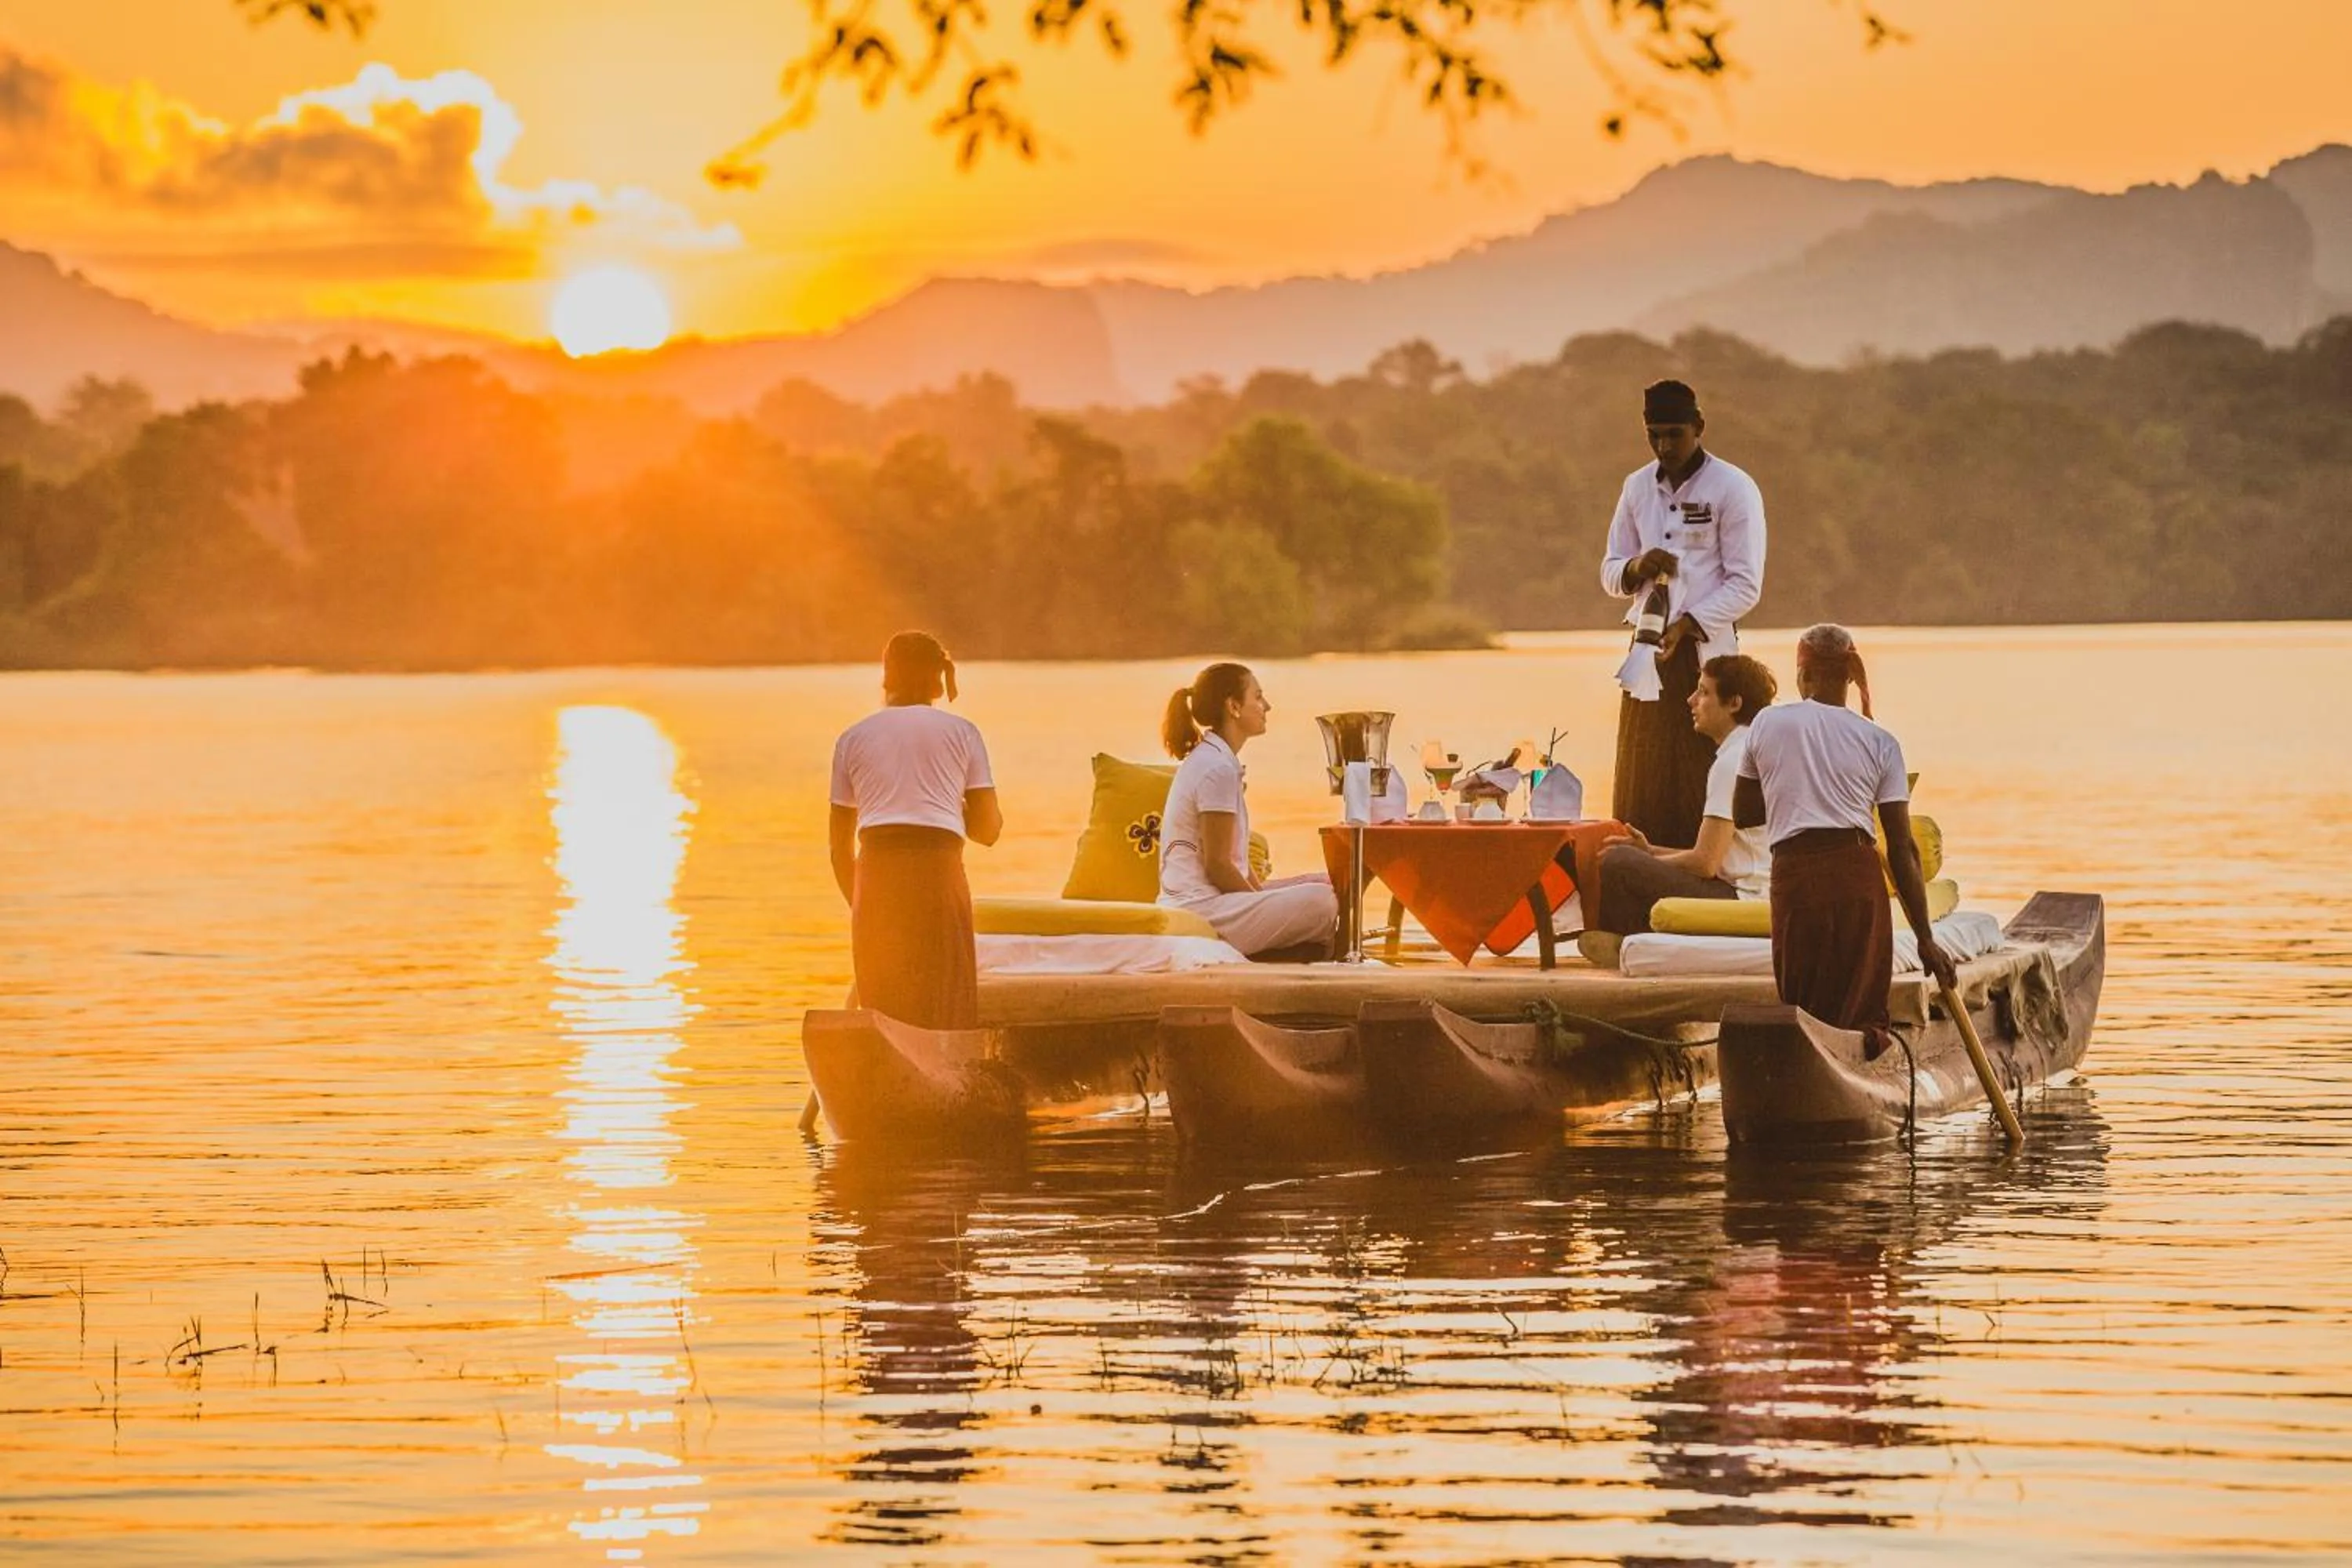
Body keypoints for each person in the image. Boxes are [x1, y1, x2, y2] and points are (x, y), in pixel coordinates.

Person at [1733, 625, 1955, 1052]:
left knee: (1806, 997)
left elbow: (1743, 813)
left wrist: (1792, 790)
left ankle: (1816, 1064)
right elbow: (1903, 847)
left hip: (1796, 873)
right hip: (1856, 872)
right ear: (1849, 678)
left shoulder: (1767, 722)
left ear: (1804, 675)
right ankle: (1859, 1055)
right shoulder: (1882, 742)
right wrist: (1926, 939)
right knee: (1860, 1002)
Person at [1601, 379, 1767, 848]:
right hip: (1646, 655)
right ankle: (1638, 873)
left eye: (1674, 433)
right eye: (1654, 434)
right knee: (1641, 774)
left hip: (1706, 658)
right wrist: (1638, 567)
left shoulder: (1733, 487)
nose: (1664, 445)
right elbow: (1610, 571)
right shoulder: (1636, 487)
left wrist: (1687, 624)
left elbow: (1745, 584)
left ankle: (1705, 876)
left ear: (1699, 426)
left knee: (1701, 775)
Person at [828, 630, 1003, 1028]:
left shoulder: (852, 739)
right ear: (939, 681)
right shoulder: (964, 734)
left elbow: (840, 850)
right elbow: (989, 830)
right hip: (938, 872)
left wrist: (863, 909)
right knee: (945, 1003)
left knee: (884, 1003)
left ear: (886, 676)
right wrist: (954, 805)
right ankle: (947, 1070)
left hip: (877, 876)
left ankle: (887, 1069)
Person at [1585, 654, 1778, 957]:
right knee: (1629, 855)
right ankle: (1629, 940)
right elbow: (1717, 855)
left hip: (1744, 898)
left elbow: (1705, 863)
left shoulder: (1732, 763)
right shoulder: (1754, 749)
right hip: (1757, 889)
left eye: (1703, 692)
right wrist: (1650, 853)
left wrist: (1645, 860)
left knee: (1618, 862)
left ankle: (1628, 945)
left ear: (1734, 704)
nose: (1690, 700)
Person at [1158, 662, 1339, 960]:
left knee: (1327, 882)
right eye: (1258, 697)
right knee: (1321, 901)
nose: (1266, 706)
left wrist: (1266, 902)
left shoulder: (1218, 760)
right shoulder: (1215, 768)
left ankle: (1306, 949)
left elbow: (1237, 862)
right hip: (1203, 911)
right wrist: (1263, 904)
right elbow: (1218, 866)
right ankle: (1286, 953)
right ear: (1233, 706)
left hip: (1223, 904)